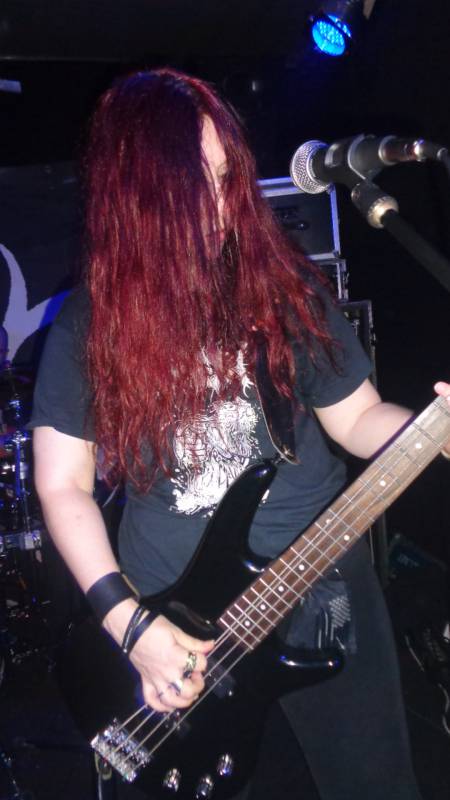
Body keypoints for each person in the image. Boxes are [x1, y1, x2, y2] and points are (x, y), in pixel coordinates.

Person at [29, 68, 450, 800]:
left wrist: (429, 430)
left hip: (319, 581)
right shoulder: (90, 322)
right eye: (195, 182)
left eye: (227, 177)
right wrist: (128, 624)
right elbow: (62, 484)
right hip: (172, 610)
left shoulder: (282, 288)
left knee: (376, 783)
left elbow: (357, 419)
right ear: (139, 192)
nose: (222, 203)